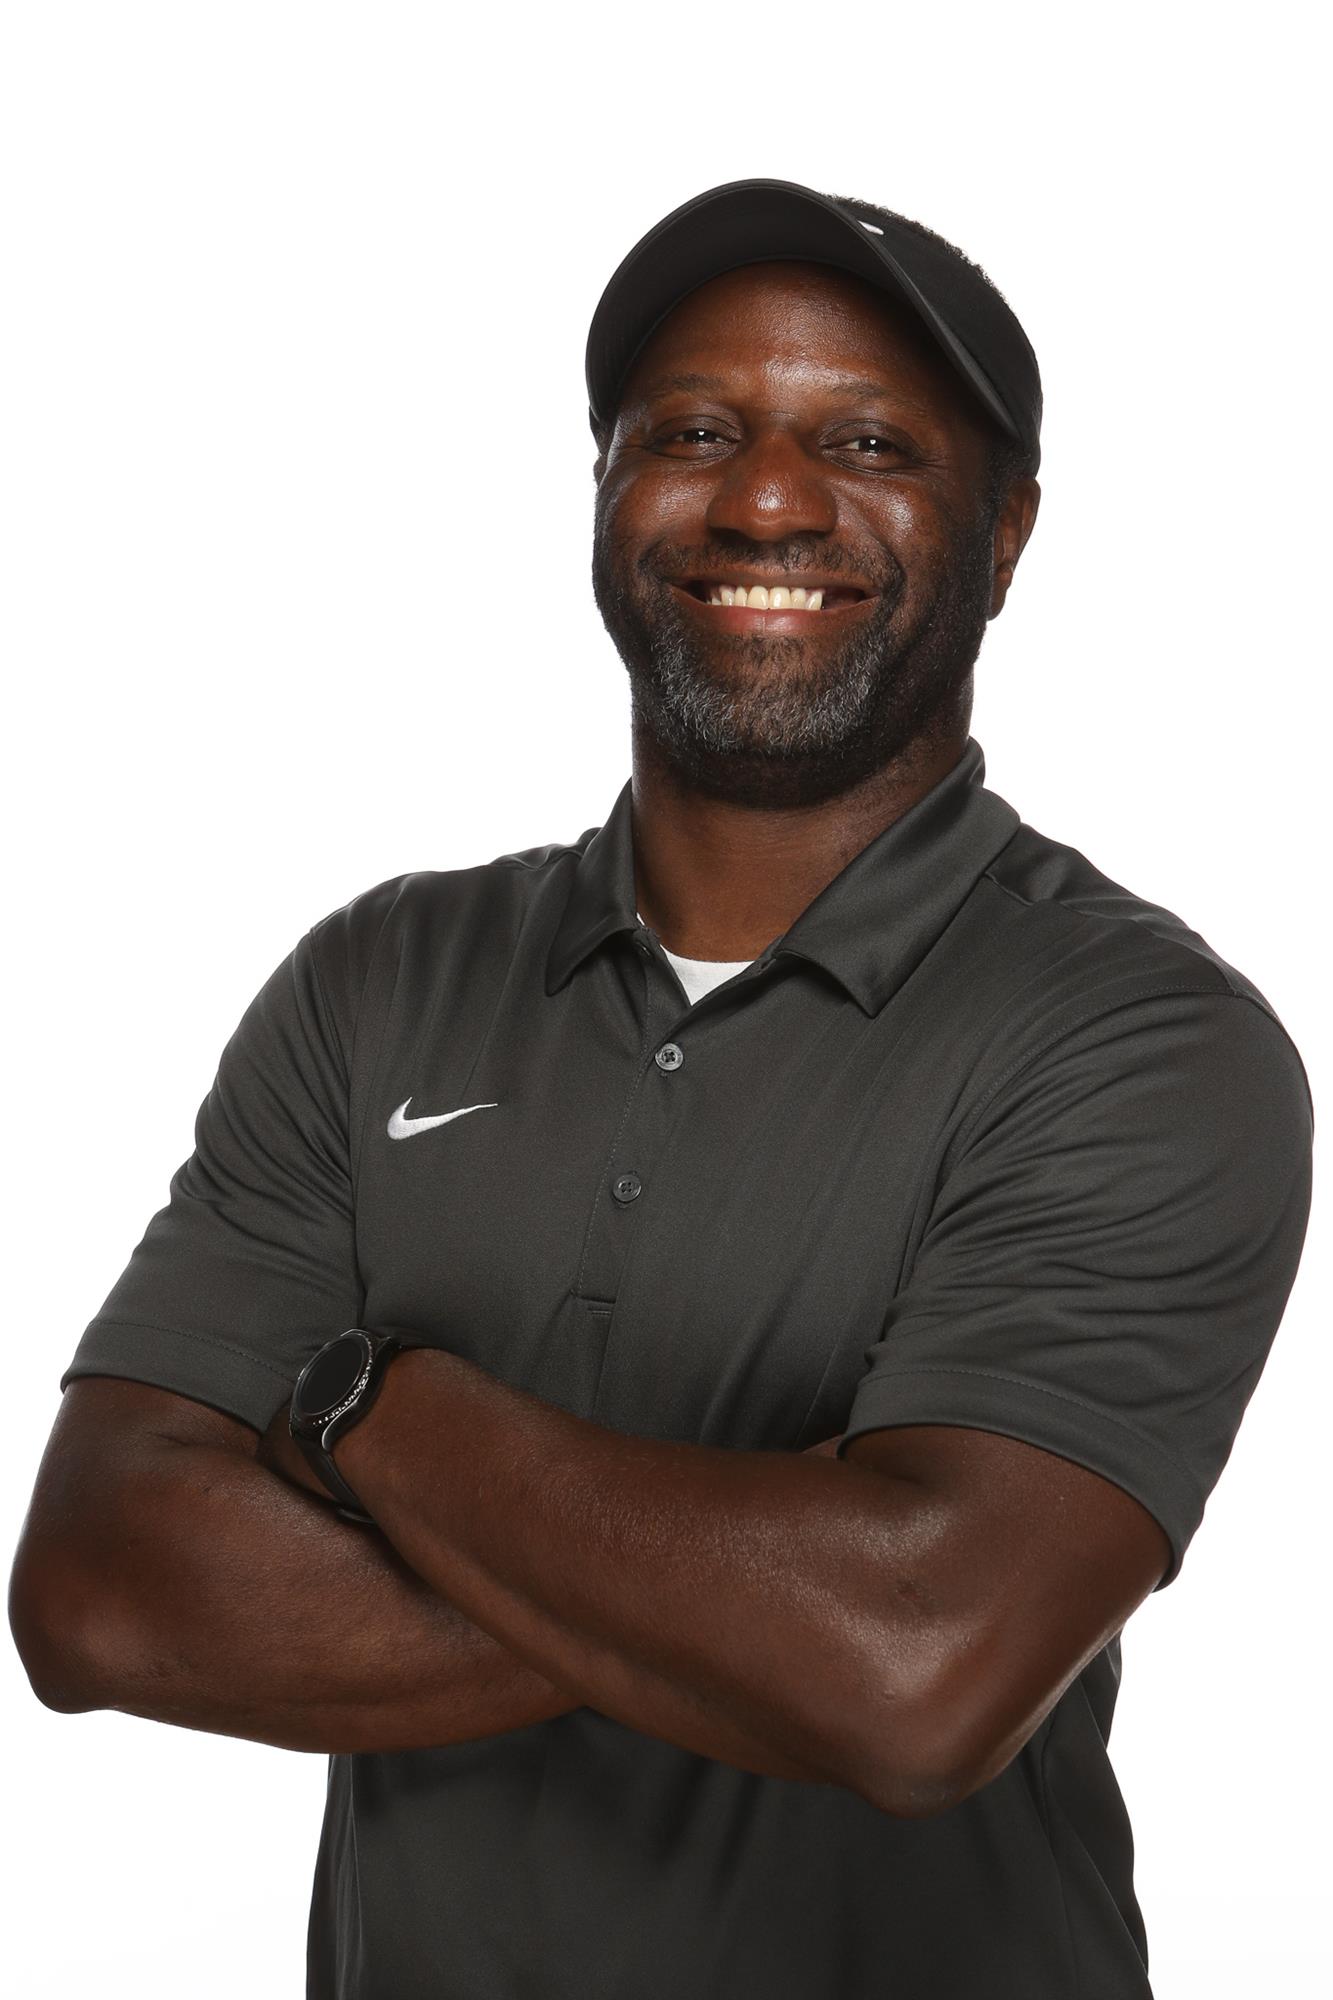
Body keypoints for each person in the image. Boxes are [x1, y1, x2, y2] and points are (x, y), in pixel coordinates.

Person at [10, 179, 1313, 1999]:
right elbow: (95, 1593)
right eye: (691, 433)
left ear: (1007, 532)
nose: (765, 500)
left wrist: (367, 1409)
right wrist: (767, 1593)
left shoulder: (1136, 1037)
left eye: (866, 443)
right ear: (607, 492)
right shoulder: (381, 979)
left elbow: (916, 1675)